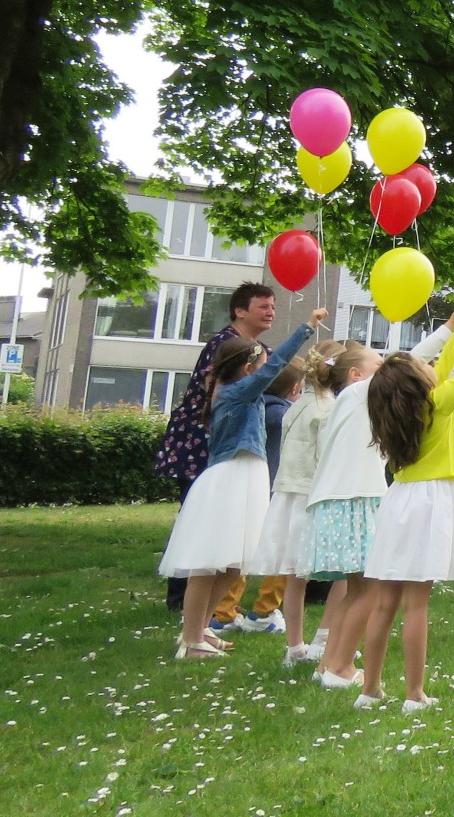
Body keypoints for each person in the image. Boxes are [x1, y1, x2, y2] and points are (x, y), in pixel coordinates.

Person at [157, 306, 327, 659]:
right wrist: (306, 328)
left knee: (233, 565)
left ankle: (201, 629)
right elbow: (279, 363)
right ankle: (190, 641)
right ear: (249, 369)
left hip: (245, 480)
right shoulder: (237, 393)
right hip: (229, 482)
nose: (266, 371)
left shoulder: (234, 392)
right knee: (207, 564)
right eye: (260, 366)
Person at [358, 294, 454, 713]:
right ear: (418, 382)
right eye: (424, 366)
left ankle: (370, 689)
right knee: (417, 602)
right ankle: (415, 693)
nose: (431, 366)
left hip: (398, 501)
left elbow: (446, 365)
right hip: (431, 499)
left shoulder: (404, 407)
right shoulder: (437, 403)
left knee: (385, 600)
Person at [305, 316, 454, 689]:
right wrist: (450, 327)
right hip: (357, 498)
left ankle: (328, 665)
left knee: (356, 589)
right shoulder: (361, 394)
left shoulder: (347, 401)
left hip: (337, 500)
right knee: (372, 589)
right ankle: (341, 666)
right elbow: (408, 363)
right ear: (358, 375)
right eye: (378, 363)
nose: (387, 366)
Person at [153, 281, 286, 625]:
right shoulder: (228, 347)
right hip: (205, 445)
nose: (271, 311)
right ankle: (186, 603)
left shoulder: (257, 350)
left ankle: (206, 609)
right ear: (240, 310)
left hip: (231, 449)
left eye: (273, 306)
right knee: (204, 529)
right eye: (263, 306)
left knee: (227, 535)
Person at [246, 345, 321, 666]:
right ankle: (264, 610)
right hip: (293, 491)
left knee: (277, 562)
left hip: (276, 489)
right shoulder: (293, 412)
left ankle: (287, 638)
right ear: (294, 388)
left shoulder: (273, 409)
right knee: (289, 565)